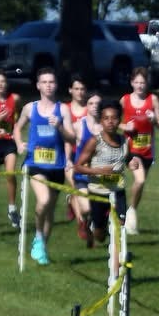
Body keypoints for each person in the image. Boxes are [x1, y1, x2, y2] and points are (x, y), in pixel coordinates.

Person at [13, 67, 75, 265]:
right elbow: (17, 127)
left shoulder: (63, 110)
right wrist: (19, 143)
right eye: (44, 82)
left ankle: (41, 247)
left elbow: (72, 138)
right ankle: (39, 237)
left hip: (56, 166)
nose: (48, 86)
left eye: (51, 82)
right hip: (35, 164)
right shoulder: (30, 108)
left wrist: (59, 126)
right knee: (44, 200)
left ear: (56, 85)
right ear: (38, 85)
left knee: (49, 212)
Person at [73, 99, 129, 273]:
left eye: (114, 118)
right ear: (101, 121)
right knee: (100, 235)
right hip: (98, 192)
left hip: (118, 190)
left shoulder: (124, 140)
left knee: (120, 225)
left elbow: (128, 159)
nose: (110, 122)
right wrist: (98, 171)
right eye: (106, 118)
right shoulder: (94, 142)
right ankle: (93, 226)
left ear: (119, 120)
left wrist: (133, 162)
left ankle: (116, 268)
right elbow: (78, 166)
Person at [120, 66, 159, 233]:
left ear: (147, 83)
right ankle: (130, 214)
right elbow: (111, 121)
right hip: (130, 150)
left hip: (147, 151)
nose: (140, 85)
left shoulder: (152, 100)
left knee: (140, 184)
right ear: (131, 83)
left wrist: (154, 120)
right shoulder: (125, 100)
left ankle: (130, 211)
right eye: (137, 82)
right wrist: (125, 126)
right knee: (139, 180)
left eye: (143, 82)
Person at [70, 89, 102, 243]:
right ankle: (83, 219)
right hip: (81, 175)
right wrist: (68, 160)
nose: (95, 106)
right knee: (87, 208)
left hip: (99, 176)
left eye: (98, 104)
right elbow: (67, 142)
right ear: (86, 106)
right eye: (91, 103)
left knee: (98, 210)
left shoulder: (106, 128)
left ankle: (91, 224)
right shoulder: (78, 126)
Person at [0, 69, 21, 229]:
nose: (0, 84)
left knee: (10, 172)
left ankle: (12, 209)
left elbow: (18, 118)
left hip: (8, 141)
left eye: (2, 81)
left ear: (7, 83)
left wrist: (14, 131)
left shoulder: (14, 98)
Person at [64, 74, 89, 225]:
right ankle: (82, 223)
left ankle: (71, 200)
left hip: (85, 156)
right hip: (68, 154)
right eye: (76, 89)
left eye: (82, 89)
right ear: (70, 90)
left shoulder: (90, 109)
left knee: (84, 189)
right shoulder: (64, 109)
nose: (79, 92)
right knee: (75, 184)